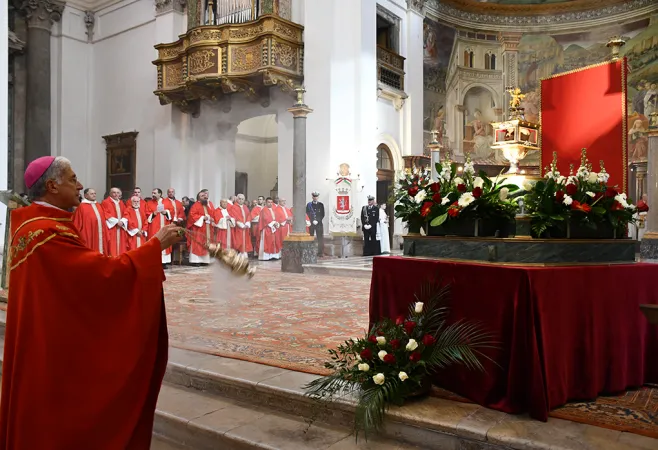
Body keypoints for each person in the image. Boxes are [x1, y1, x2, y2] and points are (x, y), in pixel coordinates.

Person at [0, 156, 183, 449]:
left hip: (45, 338)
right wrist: (153, 247)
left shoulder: (33, 224)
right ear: (51, 185)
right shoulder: (47, 232)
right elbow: (102, 277)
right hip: (51, 351)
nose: (81, 185)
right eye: (73, 179)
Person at [72, 187, 107, 254]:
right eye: (91, 194)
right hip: (88, 234)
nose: (94, 195)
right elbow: (77, 222)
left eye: (94, 193)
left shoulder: (98, 205)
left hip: (100, 233)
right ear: (86, 195)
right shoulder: (81, 207)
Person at [186, 189, 215, 265]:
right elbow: (192, 216)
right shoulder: (195, 205)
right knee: (197, 244)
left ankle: (204, 260)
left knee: (205, 243)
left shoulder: (206, 206)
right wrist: (202, 218)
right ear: (198, 198)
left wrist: (211, 218)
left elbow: (211, 214)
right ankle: (196, 261)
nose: (205, 197)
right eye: (202, 196)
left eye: (205, 196)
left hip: (206, 228)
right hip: (198, 229)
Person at [147, 188, 173, 267]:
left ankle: (164, 262)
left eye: (155, 193)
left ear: (160, 194)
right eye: (152, 193)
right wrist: (153, 214)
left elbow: (172, 212)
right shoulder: (149, 203)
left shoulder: (167, 202)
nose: (153, 195)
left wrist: (166, 212)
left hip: (164, 226)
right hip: (154, 227)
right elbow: (146, 214)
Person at [101, 187, 128, 256]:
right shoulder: (105, 202)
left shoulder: (121, 202)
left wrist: (122, 221)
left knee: (121, 246)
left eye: (118, 192)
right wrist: (116, 222)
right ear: (110, 193)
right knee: (111, 245)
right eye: (114, 192)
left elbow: (126, 213)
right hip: (112, 228)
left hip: (120, 227)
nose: (116, 194)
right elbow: (105, 213)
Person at [230, 193, 253, 258]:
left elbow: (249, 215)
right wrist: (241, 224)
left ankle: (244, 253)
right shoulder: (233, 207)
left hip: (245, 228)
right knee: (238, 241)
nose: (241, 200)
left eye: (242, 199)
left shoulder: (245, 207)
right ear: (237, 199)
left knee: (245, 240)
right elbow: (234, 216)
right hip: (238, 228)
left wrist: (247, 223)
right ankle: (238, 254)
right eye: (239, 199)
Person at [306, 191, 325, 257]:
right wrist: (312, 221)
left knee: (320, 238)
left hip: (319, 223)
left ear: (318, 197)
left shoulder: (321, 205)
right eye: (314, 197)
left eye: (316, 197)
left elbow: (322, 214)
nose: (315, 198)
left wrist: (317, 220)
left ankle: (320, 252)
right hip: (311, 224)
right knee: (310, 237)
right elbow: (307, 213)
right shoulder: (309, 205)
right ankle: (310, 251)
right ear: (312, 197)